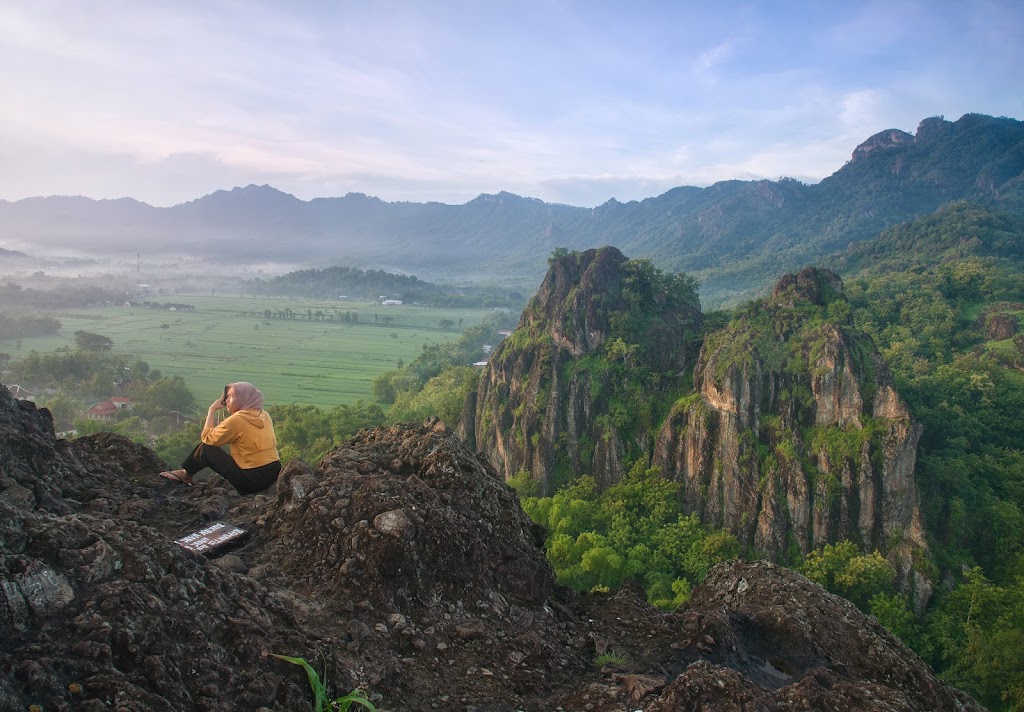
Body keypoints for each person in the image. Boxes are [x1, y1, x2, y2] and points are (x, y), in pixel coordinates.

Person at [159, 382, 281, 494]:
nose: (226, 401)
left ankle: (186, 475)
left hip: (251, 482)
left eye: (230, 397)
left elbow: (207, 438)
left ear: (241, 399)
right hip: (274, 472)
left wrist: (211, 410)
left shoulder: (237, 420)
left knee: (206, 449)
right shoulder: (264, 415)